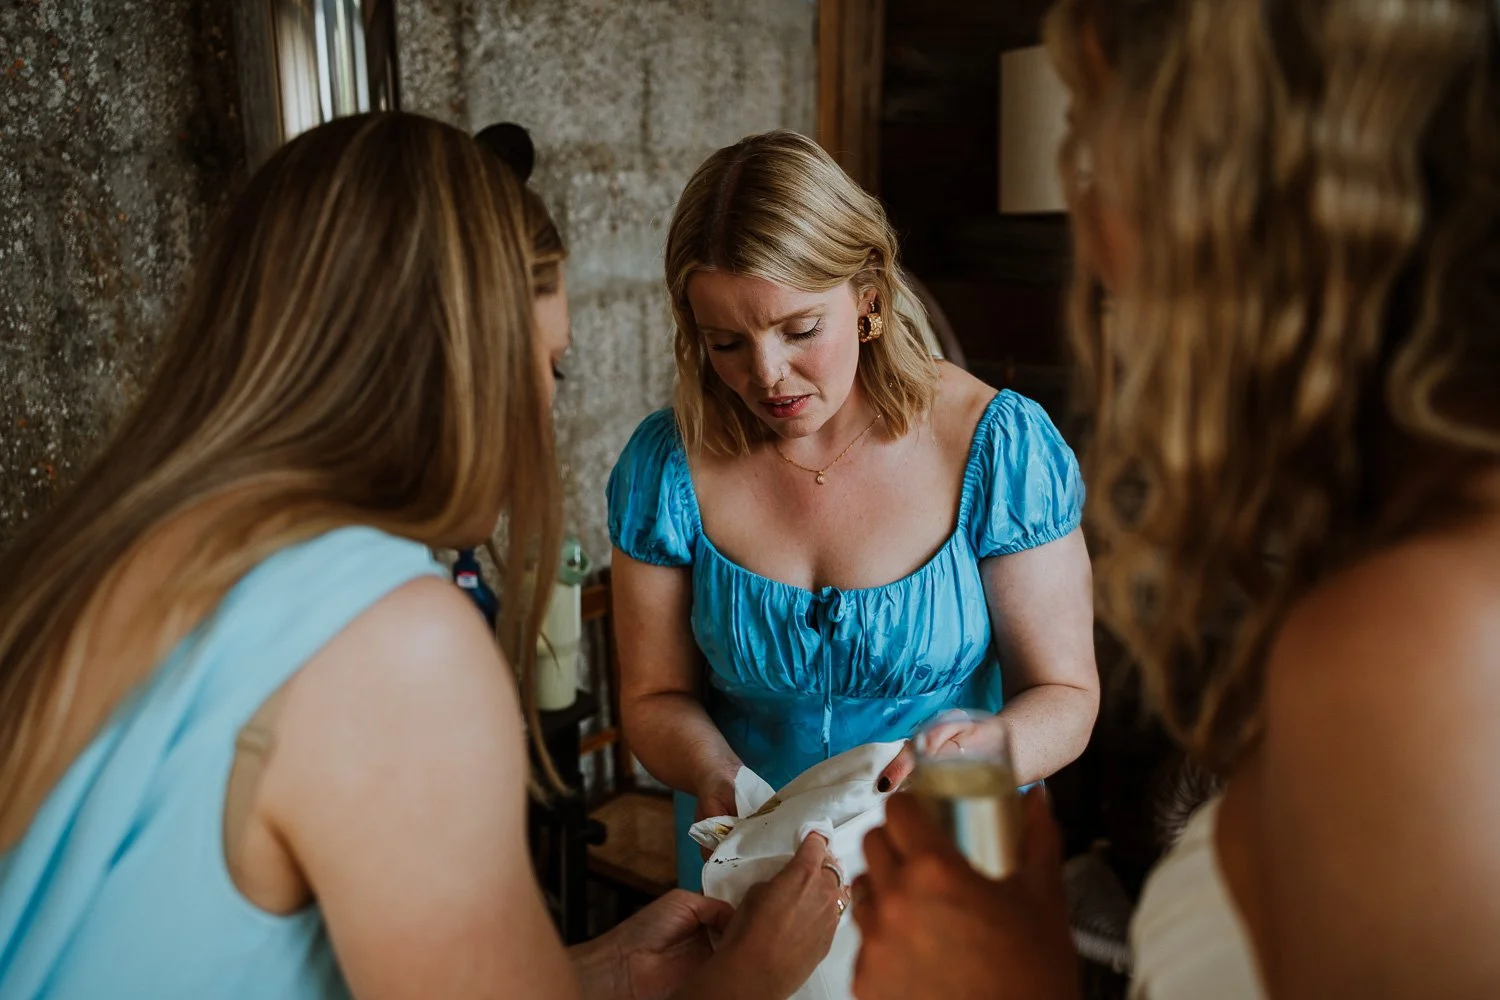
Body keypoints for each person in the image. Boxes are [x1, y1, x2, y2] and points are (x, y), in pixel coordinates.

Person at [0, 112, 845, 1000]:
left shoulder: (112, 553)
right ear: (462, 366)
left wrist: (605, 974)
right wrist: (747, 980)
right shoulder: (390, 638)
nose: (542, 411)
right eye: (549, 368)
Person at [852, 0, 1500, 997]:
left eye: (1094, 148)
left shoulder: (1413, 643)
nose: (1089, 227)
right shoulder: (1403, 556)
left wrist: (1009, 980)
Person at [608, 130, 1100, 891]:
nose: (767, 375)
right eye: (726, 343)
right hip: (751, 871)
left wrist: (975, 758)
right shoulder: (666, 465)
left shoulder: (997, 446)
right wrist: (712, 771)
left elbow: (1066, 696)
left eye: (800, 330)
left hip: (946, 863)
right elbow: (653, 696)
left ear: (867, 296)